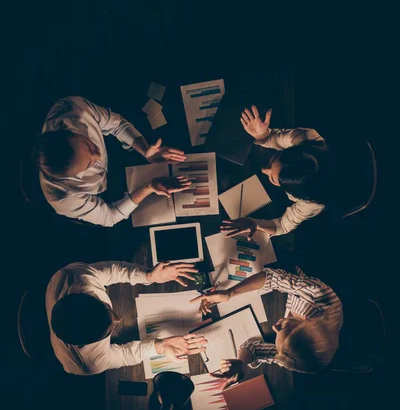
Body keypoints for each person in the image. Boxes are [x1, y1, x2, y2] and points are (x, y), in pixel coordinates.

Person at [36, 96, 191, 226]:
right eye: (89, 165)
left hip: (118, 148)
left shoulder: (73, 109)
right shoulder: (63, 199)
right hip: (110, 193)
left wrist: (145, 150)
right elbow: (109, 216)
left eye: (88, 146)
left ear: (70, 132)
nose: (98, 157)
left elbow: (116, 125)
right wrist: (148, 188)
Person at [46, 260, 208, 375]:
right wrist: (162, 346)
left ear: (81, 293)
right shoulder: (89, 364)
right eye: (108, 330)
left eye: (107, 309)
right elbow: (123, 356)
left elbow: (112, 271)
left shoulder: (72, 276)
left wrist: (149, 276)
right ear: (86, 344)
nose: (118, 319)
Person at [190, 266, 343, 384]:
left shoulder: (296, 357)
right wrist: (230, 293)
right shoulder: (316, 294)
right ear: (308, 323)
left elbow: (254, 348)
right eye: (282, 328)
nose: (274, 328)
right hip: (308, 271)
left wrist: (242, 362)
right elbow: (272, 278)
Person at [221, 106, 332, 240]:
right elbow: (273, 138)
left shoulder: (312, 203)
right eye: (274, 159)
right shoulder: (304, 139)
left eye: (273, 179)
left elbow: (283, 226)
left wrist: (255, 223)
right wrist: (262, 135)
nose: (263, 170)